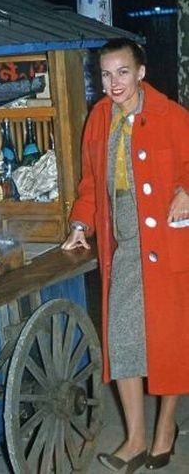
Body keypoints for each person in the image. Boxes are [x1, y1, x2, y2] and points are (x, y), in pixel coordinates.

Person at [61, 38, 189, 472]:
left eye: (122, 72)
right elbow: (90, 182)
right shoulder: (99, 118)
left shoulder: (172, 116)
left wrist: (186, 191)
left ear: (140, 73)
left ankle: (164, 430)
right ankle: (135, 439)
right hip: (124, 246)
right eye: (105, 74)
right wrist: (81, 226)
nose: (113, 83)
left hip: (170, 246)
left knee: (170, 343)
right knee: (123, 338)